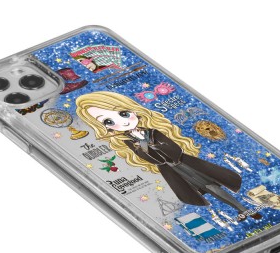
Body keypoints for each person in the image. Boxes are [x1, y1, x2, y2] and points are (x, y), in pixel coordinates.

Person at [76, 91, 260, 220]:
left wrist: (152, 146)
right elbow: (150, 159)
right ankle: (239, 211)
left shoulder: (154, 131)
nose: (121, 122)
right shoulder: (128, 142)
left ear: (133, 110)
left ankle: (243, 209)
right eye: (108, 121)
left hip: (184, 164)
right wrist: (146, 148)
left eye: (123, 113)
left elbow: (174, 149)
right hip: (172, 171)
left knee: (212, 186)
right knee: (203, 192)